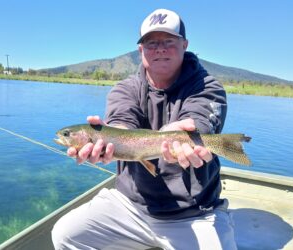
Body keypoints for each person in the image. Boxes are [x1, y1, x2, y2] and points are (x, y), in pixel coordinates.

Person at [52, 8, 237, 250]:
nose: (160, 48)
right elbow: (121, 122)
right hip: (130, 206)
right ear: (141, 51)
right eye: (151, 43)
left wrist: (182, 132)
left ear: (185, 44)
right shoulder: (124, 89)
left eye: (168, 41)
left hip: (195, 212)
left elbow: (200, 117)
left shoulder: (207, 86)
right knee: (65, 234)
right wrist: (109, 138)